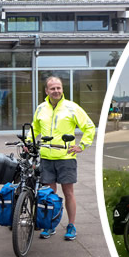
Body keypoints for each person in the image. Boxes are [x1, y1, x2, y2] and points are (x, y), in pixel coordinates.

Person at [31, 76, 95, 241]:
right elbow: (34, 128)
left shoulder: (71, 107)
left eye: (58, 88)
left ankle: (71, 225)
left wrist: (82, 145)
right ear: (46, 91)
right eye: (52, 88)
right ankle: (50, 225)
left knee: (69, 193)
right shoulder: (41, 108)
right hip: (46, 157)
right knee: (50, 194)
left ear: (62, 89)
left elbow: (89, 126)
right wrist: (29, 142)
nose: (56, 91)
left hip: (66, 157)